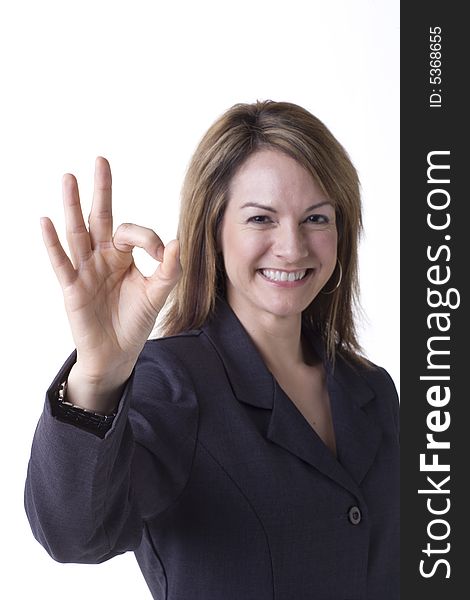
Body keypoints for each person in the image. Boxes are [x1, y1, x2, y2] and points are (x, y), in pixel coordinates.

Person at [25, 100, 399, 599]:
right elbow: (74, 534)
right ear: (214, 231)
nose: (292, 247)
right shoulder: (174, 382)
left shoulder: (370, 388)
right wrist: (96, 375)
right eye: (262, 219)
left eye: (316, 217)